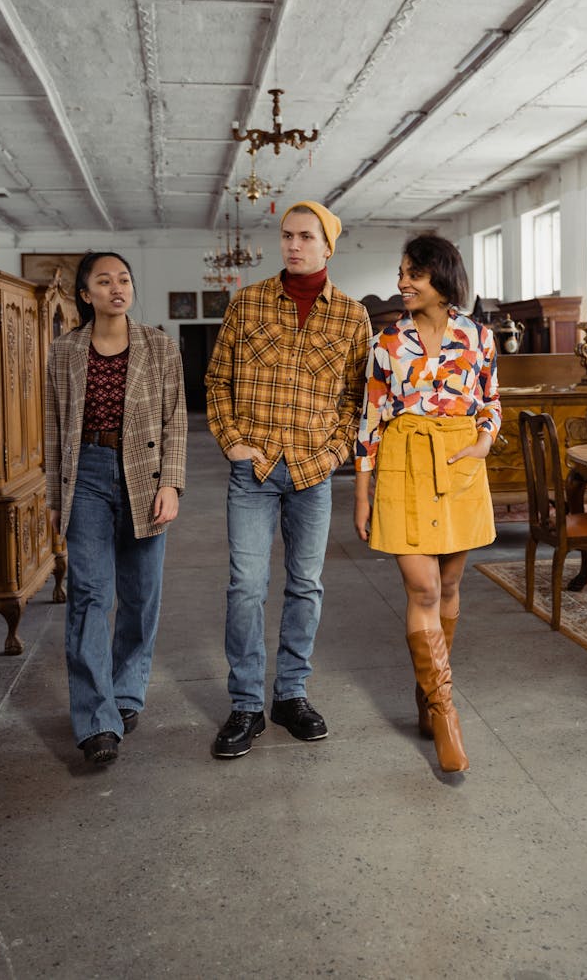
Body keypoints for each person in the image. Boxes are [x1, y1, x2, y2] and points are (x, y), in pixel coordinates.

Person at [206, 200, 372, 759]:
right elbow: (216, 381)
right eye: (286, 235)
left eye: (305, 236)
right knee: (246, 587)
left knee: (306, 585)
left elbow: (356, 401)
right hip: (252, 471)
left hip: (311, 473)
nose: (293, 245)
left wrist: (332, 457)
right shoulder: (247, 303)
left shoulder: (351, 317)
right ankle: (247, 705)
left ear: (327, 246)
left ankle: (291, 695)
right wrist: (232, 442)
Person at [354, 233, 501, 773]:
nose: (401, 283)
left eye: (412, 273)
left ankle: (424, 697)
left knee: (453, 585)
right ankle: (444, 712)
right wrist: (362, 493)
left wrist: (483, 441)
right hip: (404, 463)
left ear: (441, 277)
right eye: (400, 273)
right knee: (423, 586)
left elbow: (491, 400)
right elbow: (369, 421)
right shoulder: (386, 344)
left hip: (461, 462)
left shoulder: (479, 336)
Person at [45, 251, 187, 766]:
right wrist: (55, 497)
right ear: (86, 295)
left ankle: (125, 694)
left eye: (123, 279)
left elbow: (176, 419)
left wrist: (171, 483)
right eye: (103, 281)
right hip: (85, 475)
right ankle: (96, 719)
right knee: (88, 595)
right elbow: (53, 427)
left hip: (144, 476)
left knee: (141, 596)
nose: (116, 288)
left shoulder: (158, 345)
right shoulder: (64, 351)